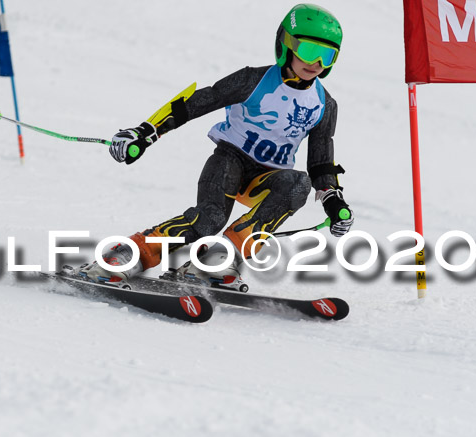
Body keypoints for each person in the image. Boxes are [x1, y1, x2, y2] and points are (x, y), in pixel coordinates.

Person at [80, 3, 354, 287]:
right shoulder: (253, 80)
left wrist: (333, 199)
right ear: (286, 44)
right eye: (310, 51)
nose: (316, 63)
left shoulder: (324, 104)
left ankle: (219, 259)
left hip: (267, 178)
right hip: (230, 161)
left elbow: (321, 161)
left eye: (327, 55)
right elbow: (199, 102)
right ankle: (128, 254)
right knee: (209, 218)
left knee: (299, 184)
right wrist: (146, 131)